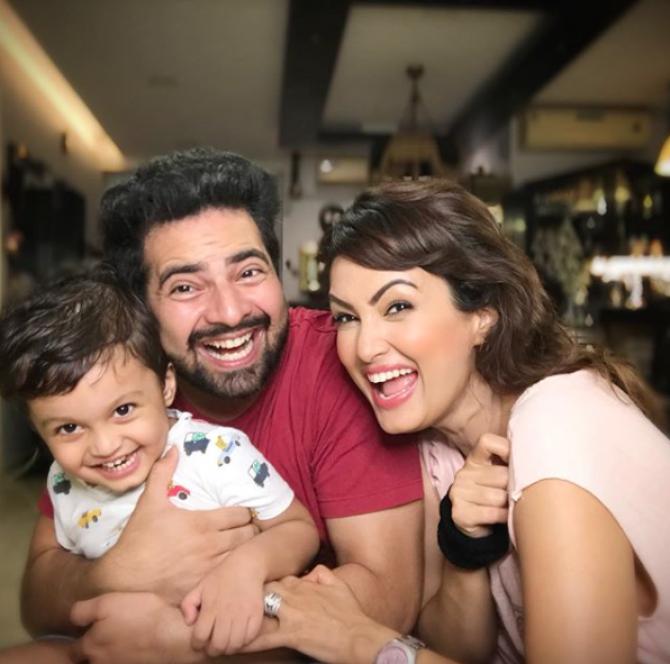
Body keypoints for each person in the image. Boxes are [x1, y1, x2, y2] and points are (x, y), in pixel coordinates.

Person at [21, 149, 424, 663]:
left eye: (249, 272)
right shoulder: (110, 393)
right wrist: (117, 571)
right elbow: (37, 604)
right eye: (185, 286)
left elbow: (390, 598)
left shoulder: (340, 360)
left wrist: (180, 637)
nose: (230, 312)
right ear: (141, 310)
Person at [251, 179, 670, 664]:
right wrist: (466, 548)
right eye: (347, 317)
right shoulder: (434, 445)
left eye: (397, 307)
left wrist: (353, 639)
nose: (364, 348)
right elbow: (454, 648)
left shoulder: (556, 422)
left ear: (483, 316)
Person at [0, 268, 320, 657]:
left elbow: (298, 529)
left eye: (123, 410)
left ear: (166, 386)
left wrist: (247, 566)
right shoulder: (63, 480)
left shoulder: (216, 452)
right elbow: (43, 601)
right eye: (69, 428)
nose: (104, 445)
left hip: (212, 644)